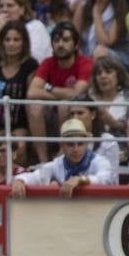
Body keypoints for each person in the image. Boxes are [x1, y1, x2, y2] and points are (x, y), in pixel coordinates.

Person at [27, 21, 93, 161]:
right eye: (56, 40)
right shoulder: (48, 62)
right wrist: (61, 94)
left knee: (64, 105)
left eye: (66, 40)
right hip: (51, 115)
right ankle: (43, 161)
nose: (60, 44)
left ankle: (61, 154)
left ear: (76, 45)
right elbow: (32, 92)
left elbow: (77, 93)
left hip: (77, 115)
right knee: (34, 106)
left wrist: (49, 88)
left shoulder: (84, 63)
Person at [0, 20, 38, 154]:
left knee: (18, 147)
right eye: (7, 39)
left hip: (17, 124)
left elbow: (29, 102)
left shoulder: (30, 65)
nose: (11, 44)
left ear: (24, 42)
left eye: (16, 39)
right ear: (2, 42)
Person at [12, 116, 117, 194]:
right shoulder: (57, 164)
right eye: (70, 144)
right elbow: (33, 177)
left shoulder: (99, 161)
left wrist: (80, 180)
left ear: (86, 144)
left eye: (80, 144)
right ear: (62, 145)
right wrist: (19, 181)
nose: (76, 149)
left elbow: (106, 179)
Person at [76, 0, 129, 66]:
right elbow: (74, 37)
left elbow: (105, 42)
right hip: (88, 53)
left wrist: (97, 14)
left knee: (99, 52)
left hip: (116, 57)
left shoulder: (121, 10)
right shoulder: (83, 7)